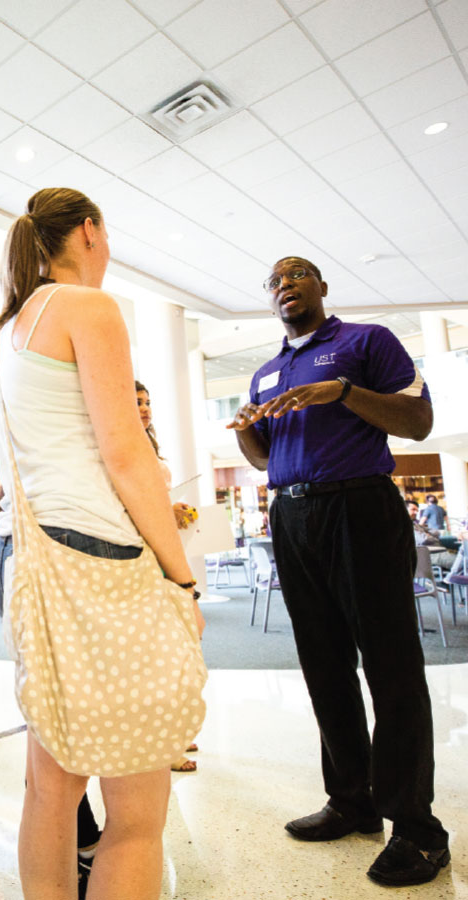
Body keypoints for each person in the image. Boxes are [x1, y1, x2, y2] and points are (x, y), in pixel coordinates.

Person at [0, 187, 205, 900]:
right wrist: (182, 575)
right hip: (100, 560)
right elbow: (125, 452)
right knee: (136, 811)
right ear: (91, 233)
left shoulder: (4, 333)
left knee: (52, 788)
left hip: (31, 558)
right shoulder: (87, 307)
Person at [228, 256, 448, 887]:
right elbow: (265, 457)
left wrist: (344, 392)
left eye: (295, 275)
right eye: (271, 282)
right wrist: (245, 432)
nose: (283, 287)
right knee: (324, 664)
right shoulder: (268, 372)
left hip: (360, 506)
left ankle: (417, 828)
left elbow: (418, 422)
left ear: (321, 286)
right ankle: (352, 801)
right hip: (292, 517)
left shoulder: (366, 342)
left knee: (391, 665)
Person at [136, 380, 201, 774]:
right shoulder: (120, 442)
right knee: (162, 646)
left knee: (175, 642)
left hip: (161, 542)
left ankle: (173, 728)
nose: (144, 408)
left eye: (147, 401)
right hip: (145, 550)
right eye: (136, 401)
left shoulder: (148, 444)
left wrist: (172, 508)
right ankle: (164, 739)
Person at [408, 500, 458, 572]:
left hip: (437, 550)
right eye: (413, 510)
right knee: (463, 562)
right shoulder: (407, 526)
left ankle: (452, 577)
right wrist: (429, 535)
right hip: (430, 554)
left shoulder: (416, 525)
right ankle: (452, 578)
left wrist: (428, 535)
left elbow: (436, 532)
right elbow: (424, 539)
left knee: (462, 557)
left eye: (417, 510)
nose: (416, 512)